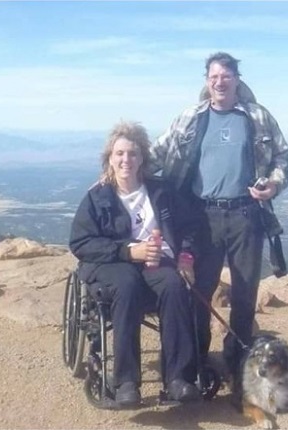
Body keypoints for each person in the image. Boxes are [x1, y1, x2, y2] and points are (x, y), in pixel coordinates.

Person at [149, 52, 288, 394]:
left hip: (246, 215)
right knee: (200, 290)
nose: (220, 82)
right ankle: (197, 358)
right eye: (214, 77)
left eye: (226, 76)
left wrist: (274, 183)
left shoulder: (257, 117)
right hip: (201, 217)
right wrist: (116, 173)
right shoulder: (190, 118)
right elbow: (157, 152)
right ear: (206, 81)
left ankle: (238, 360)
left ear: (237, 80)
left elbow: (282, 157)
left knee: (245, 293)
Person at [69, 120, 201, 407]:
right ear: (110, 159)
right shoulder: (97, 197)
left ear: (142, 158)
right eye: (119, 154)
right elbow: (80, 243)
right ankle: (126, 382)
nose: (126, 159)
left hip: (156, 262)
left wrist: (185, 257)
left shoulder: (161, 192)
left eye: (132, 153)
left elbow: (190, 226)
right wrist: (129, 252)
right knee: (126, 285)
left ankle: (179, 378)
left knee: (174, 286)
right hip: (113, 264)